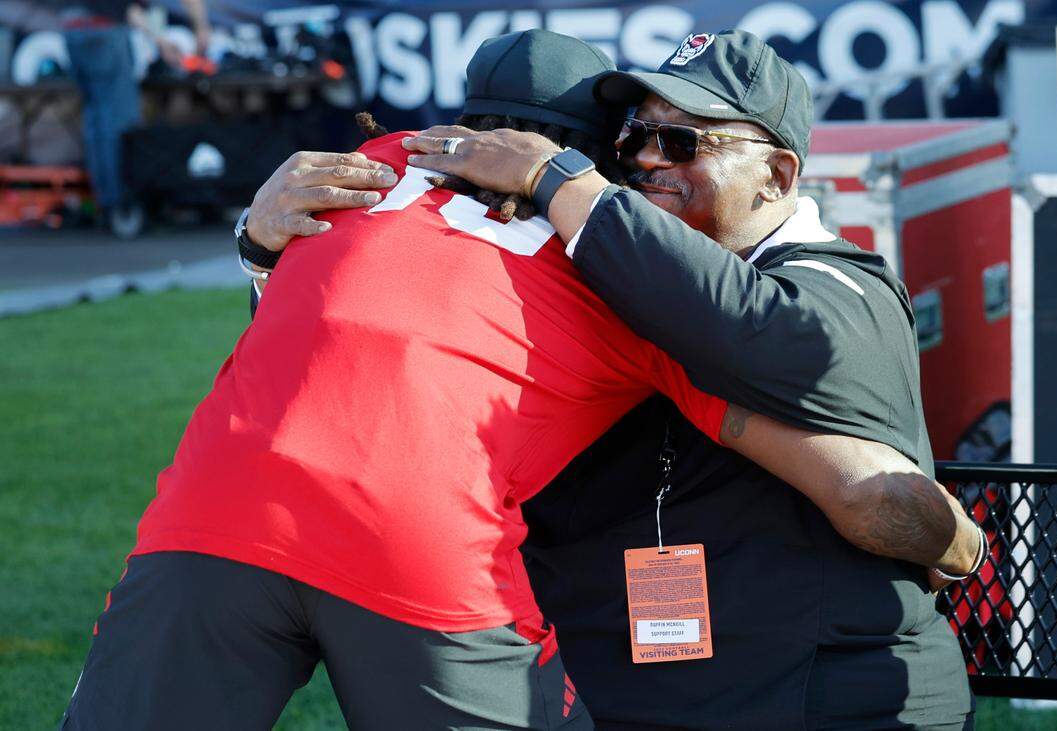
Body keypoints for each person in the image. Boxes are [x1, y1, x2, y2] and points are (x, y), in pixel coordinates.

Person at [62, 30, 970, 730]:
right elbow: (856, 488)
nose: (650, 160)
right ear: (599, 148)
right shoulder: (608, 268)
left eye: (677, 141)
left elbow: (302, 341)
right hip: (422, 552)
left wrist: (257, 244)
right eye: (639, 140)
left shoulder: (365, 175)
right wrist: (964, 547)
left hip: (210, 515)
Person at [58, 0, 209, 222]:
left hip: (72, 29)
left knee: (95, 119)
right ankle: (121, 203)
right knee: (117, 121)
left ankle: (105, 200)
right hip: (105, 29)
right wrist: (165, 39)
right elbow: (132, 10)